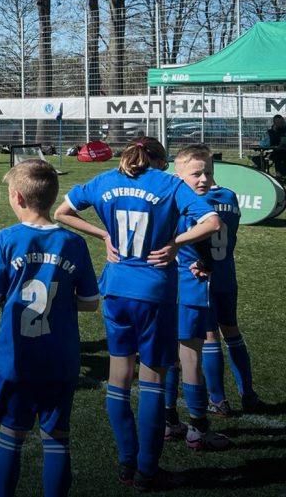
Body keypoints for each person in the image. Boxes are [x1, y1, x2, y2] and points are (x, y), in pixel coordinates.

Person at [54, 137, 220, 490]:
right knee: (152, 381)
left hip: (115, 288)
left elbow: (61, 212)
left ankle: (127, 462)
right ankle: (147, 469)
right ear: (160, 161)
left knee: (119, 378)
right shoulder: (168, 184)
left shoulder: (104, 181)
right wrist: (175, 243)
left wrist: (103, 235)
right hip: (153, 290)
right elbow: (211, 222)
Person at [0, 159, 100, 497]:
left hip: (17, 357)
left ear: (17, 197)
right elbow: (90, 302)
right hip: (61, 357)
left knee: (11, 435)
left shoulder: (7, 239)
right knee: (57, 437)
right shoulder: (73, 242)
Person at [162, 144, 231, 452]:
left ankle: (169, 422)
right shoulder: (199, 207)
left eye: (208, 173)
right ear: (178, 175)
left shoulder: (165, 201)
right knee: (190, 359)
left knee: (169, 358)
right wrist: (203, 262)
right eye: (196, 174)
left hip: (165, 288)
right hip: (189, 289)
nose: (204, 179)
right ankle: (198, 429)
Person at [196, 152, 259, 416]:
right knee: (232, 332)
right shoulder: (230, 196)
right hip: (227, 274)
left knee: (210, 336)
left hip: (202, 276)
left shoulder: (194, 199)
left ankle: (218, 400)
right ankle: (248, 393)